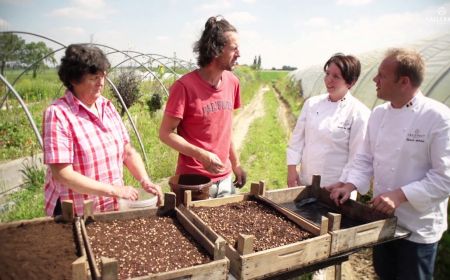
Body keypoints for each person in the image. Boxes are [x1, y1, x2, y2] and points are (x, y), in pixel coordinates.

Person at [327, 48, 450, 280]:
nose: (374, 79)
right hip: (382, 222)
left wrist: (401, 195)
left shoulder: (438, 117)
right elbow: (365, 158)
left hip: (417, 229)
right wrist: (350, 184)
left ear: (404, 81)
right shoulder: (379, 114)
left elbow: (445, 178)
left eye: (381, 75)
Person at [43, 44, 163, 217]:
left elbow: (127, 152)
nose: (101, 82)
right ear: (74, 79)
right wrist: (114, 190)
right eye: (94, 77)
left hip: (109, 208)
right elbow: (63, 174)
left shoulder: (107, 107)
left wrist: (145, 181)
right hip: (76, 212)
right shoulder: (58, 114)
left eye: (103, 76)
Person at [159, 15, 246, 198]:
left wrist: (236, 164)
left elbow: (225, 130)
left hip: (225, 179)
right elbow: (165, 133)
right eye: (234, 49)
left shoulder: (232, 82)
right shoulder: (184, 87)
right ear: (216, 50)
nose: (239, 54)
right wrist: (201, 155)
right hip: (193, 183)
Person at [286, 53, 370, 193]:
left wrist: (344, 185)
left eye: (336, 77)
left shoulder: (359, 113)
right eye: (327, 74)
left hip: (336, 190)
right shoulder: (312, 104)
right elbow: (297, 140)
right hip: (305, 183)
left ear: (351, 82)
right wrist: (292, 169)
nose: (329, 80)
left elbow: (357, 158)